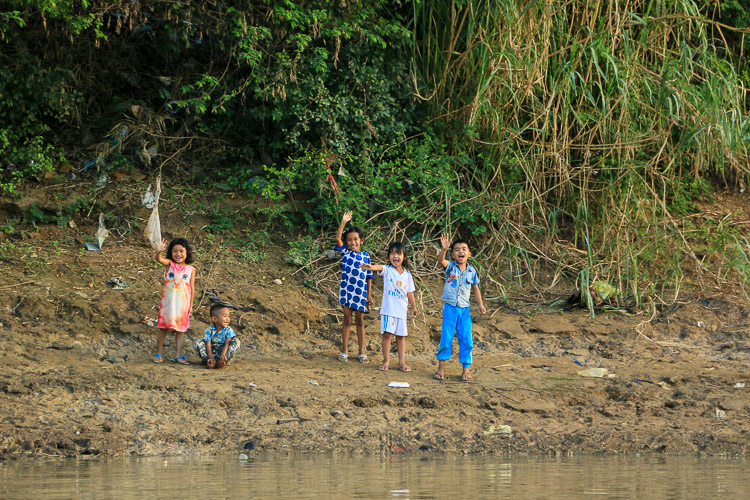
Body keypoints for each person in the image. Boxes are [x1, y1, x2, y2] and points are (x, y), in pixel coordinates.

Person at [360, 242, 418, 372]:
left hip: (402, 311)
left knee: (401, 337)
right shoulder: (388, 270)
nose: (395, 256)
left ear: (404, 256)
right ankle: (386, 361)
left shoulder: (408, 274)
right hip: (389, 310)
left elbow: (410, 292)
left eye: (398, 254)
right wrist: (370, 267)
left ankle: (402, 362)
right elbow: (378, 267)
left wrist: (414, 306)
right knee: (387, 335)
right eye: (392, 253)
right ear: (389, 256)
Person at [434, 234, 486, 380]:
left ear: (469, 253)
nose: (460, 252)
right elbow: (441, 261)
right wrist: (443, 249)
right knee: (446, 337)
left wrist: (480, 304)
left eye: (464, 249)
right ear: (453, 254)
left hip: (465, 310)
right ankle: (441, 369)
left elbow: (475, 288)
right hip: (450, 308)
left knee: (466, 338)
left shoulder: (472, 271)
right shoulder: (451, 267)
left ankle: (466, 370)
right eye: (457, 249)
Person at [334, 211, 373, 363]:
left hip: (361, 293)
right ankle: (344, 351)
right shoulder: (345, 253)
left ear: (361, 240)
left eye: (355, 239)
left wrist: (369, 295)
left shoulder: (366, 256)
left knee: (360, 321)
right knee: (347, 320)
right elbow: (338, 238)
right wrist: (343, 222)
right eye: (349, 240)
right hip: (346, 292)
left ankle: (362, 352)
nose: (352, 242)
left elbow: (369, 277)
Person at [153, 237, 195, 364]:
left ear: (187, 252)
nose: (178, 254)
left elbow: (192, 288)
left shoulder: (191, 269)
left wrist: (191, 306)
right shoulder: (170, 265)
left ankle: (178, 355)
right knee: (163, 327)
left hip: (183, 304)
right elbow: (158, 259)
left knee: (181, 330)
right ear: (171, 253)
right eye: (175, 251)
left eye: (181, 251)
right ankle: (158, 353)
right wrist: (158, 251)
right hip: (168, 303)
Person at [194, 304, 240, 368]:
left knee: (236, 341)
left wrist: (223, 354)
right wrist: (210, 357)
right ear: (215, 319)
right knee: (197, 342)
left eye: (229, 316)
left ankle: (223, 361)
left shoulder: (229, 330)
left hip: (222, 352)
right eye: (225, 316)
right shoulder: (209, 330)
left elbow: (227, 343)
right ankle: (209, 361)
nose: (228, 319)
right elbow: (208, 344)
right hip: (211, 352)